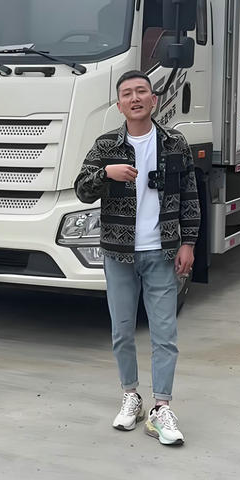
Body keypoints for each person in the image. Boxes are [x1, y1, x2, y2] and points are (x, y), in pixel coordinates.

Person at [74, 70, 200, 446]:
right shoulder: (106, 145)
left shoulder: (175, 143)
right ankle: (131, 395)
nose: (135, 98)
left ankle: (161, 407)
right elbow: (82, 189)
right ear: (119, 105)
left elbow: (190, 196)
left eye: (141, 91)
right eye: (127, 93)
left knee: (164, 333)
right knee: (122, 330)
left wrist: (188, 243)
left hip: (162, 251)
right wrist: (106, 174)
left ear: (153, 100)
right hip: (119, 253)